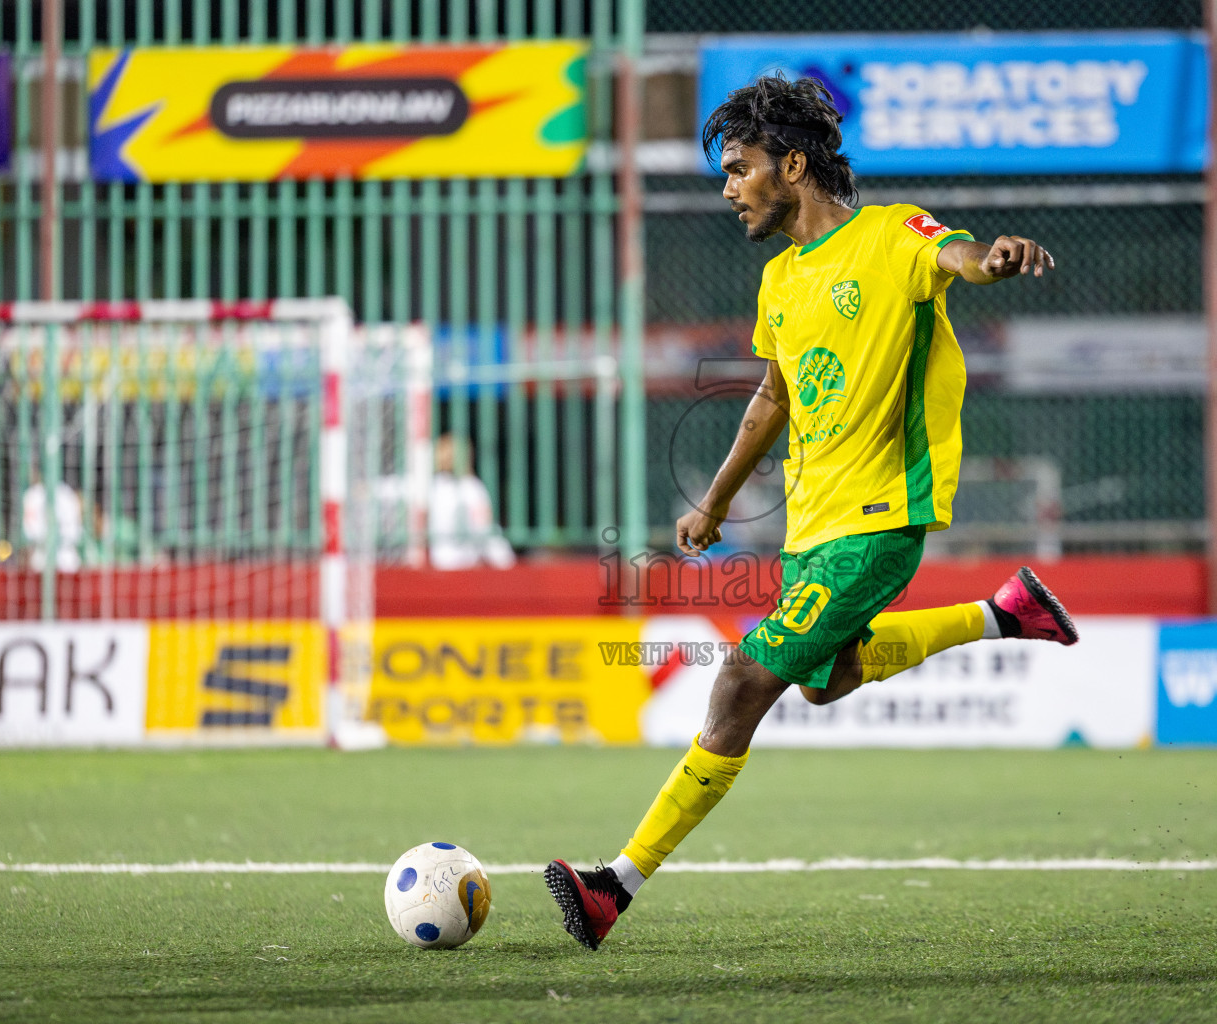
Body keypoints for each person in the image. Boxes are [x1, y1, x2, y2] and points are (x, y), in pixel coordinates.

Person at [545, 75, 1077, 951]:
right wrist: (714, 500)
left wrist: (995, 258)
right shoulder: (781, 281)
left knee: (741, 683)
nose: (728, 187)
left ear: (792, 165)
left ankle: (615, 885)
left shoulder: (888, 234)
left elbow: (958, 258)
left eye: (740, 167)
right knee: (830, 680)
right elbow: (771, 398)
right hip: (814, 531)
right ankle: (1004, 611)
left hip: (876, 522)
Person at [427, 434, 516, 571]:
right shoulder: (471, 487)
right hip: (463, 566)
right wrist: (506, 562)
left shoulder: (432, 487)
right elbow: (485, 529)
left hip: (437, 564)